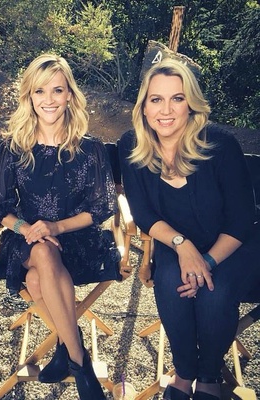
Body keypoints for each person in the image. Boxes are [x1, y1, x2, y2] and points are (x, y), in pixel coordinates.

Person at [0, 53, 120, 399]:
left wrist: (54, 228)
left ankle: (65, 346)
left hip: (78, 240)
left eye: (57, 90)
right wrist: (26, 228)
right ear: (29, 96)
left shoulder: (90, 149)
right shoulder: (13, 148)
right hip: (25, 240)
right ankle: (80, 362)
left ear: (70, 94)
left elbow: (101, 208)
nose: (49, 100)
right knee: (41, 252)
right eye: (40, 91)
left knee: (36, 280)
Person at [118, 59, 260, 400]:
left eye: (177, 98)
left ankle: (209, 377)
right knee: (171, 280)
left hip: (235, 244)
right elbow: (143, 213)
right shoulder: (132, 145)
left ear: (190, 105)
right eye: (156, 99)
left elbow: (241, 220)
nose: (165, 110)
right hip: (174, 240)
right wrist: (182, 246)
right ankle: (183, 373)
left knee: (214, 289)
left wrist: (206, 262)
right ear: (144, 106)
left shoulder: (220, 145)